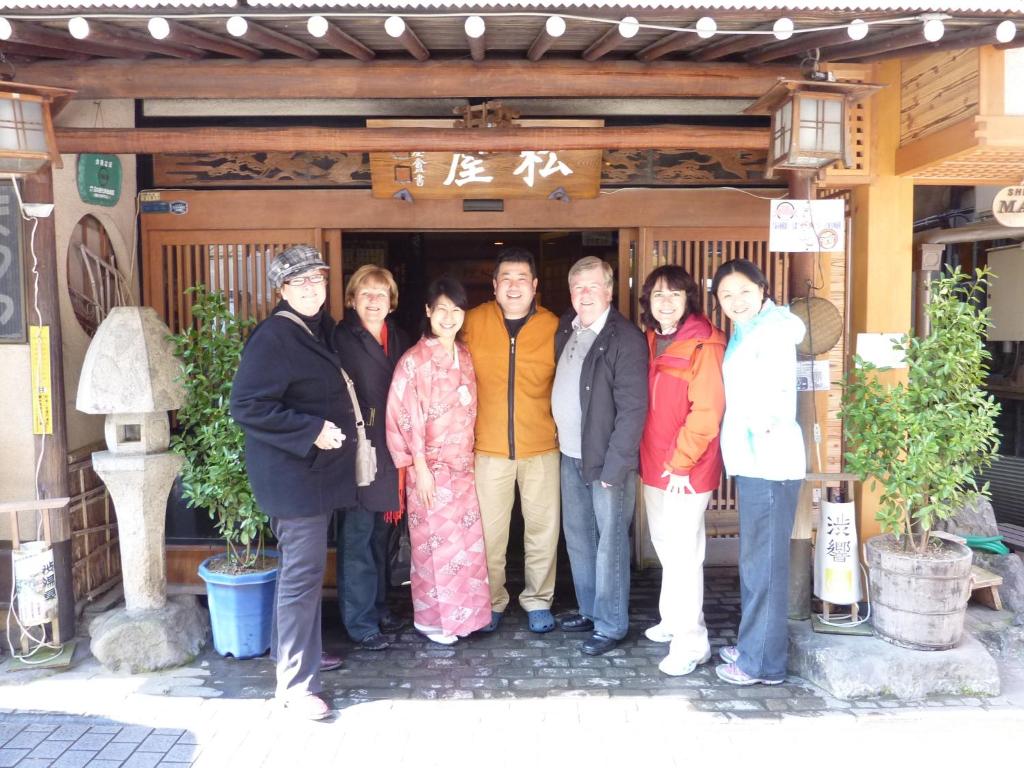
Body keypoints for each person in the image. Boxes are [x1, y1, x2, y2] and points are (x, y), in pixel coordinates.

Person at [230, 244, 355, 721]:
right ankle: (296, 686)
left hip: (312, 477)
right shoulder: (275, 336)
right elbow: (248, 406)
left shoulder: (316, 329)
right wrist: (312, 430)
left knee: (298, 575)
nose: (312, 289)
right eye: (301, 282)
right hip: (293, 479)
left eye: (318, 281)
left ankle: (296, 654)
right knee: (301, 579)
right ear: (281, 290)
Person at [710, 258, 806, 686]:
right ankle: (755, 644)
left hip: (769, 462)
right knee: (755, 563)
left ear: (763, 289)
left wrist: (761, 427)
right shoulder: (750, 329)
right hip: (754, 461)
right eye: (726, 295)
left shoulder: (772, 331)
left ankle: (761, 663)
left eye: (744, 291)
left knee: (763, 566)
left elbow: (774, 393)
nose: (736, 301)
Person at [385, 276, 491, 644]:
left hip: (462, 469)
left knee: (466, 546)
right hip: (428, 470)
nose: (449, 317)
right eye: (441, 309)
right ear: (428, 312)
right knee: (435, 549)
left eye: (456, 309)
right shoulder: (415, 361)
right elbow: (404, 417)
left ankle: (467, 617)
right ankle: (433, 621)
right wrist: (420, 469)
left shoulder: (464, 355)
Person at [552, 256, 647, 656]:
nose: (585, 294)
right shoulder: (567, 329)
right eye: (578, 287)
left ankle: (610, 624)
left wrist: (616, 464)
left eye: (593, 286)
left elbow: (633, 409)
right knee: (578, 536)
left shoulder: (624, 337)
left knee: (610, 542)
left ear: (609, 290)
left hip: (607, 460)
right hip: (570, 454)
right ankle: (591, 610)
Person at [462, 247, 561, 634]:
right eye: (507, 278)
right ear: (494, 286)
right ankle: (492, 601)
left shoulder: (555, 326)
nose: (514, 285)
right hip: (488, 448)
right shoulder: (472, 321)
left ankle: (538, 600)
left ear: (535, 285)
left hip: (542, 447)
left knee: (542, 530)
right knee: (489, 534)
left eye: (522, 278)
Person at [637, 265, 726, 676]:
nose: (666, 302)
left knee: (684, 554)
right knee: (666, 547)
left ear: (689, 298)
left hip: (685, 469)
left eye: (675, 294)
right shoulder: (654, 338)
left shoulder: (704, 343)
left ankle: (692, 643)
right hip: (655, 464)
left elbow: (707, 412)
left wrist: (680, 463)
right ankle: (673, 620)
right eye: (658, 295)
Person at [332, 265, 410, 651]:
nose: (374, 300)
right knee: (358, 537)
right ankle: (359, 622)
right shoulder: (340, 338)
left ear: (391, 301)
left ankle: (379, 608)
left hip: (391, 446)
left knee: (382, 534)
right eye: (366, 293)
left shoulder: (398, 337)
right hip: (358, 449)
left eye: (382, 293)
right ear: (352, 299)